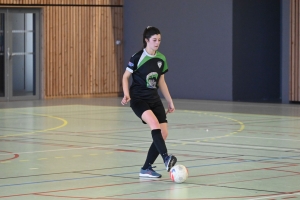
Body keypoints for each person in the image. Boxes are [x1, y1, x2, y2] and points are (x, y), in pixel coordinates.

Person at [121, 26, 177, 178]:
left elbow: (162, 82)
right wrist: (126, 94)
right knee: (154, 124)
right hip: (138, 99)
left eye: (159, 40)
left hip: (154, 99)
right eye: (154, 40)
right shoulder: (137, 57)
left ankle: (146, 168)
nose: (157, 43)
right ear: (146, 40)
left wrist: (170, 101)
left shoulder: (161, 59)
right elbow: (125, 77)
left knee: (163, 133)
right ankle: (166, 158)